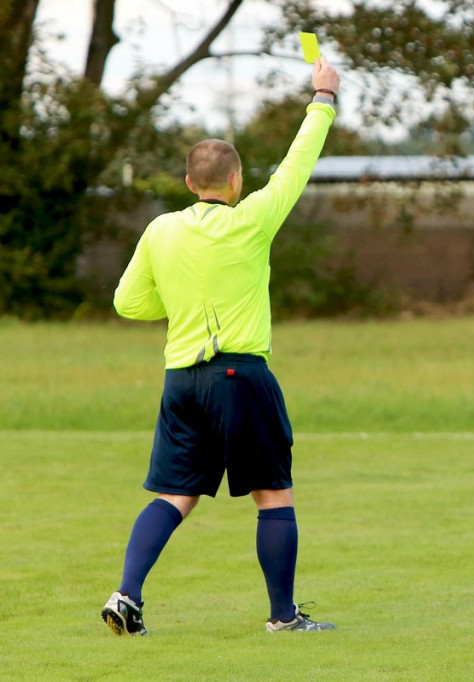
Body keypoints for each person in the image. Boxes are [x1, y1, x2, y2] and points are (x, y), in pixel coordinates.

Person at [101, 57, 341, 636]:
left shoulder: (160, 230)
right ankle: (283, 617)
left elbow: (127, 304)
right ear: (234, 182)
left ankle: (126, 596)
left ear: (189, 184)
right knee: (272, 493)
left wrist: (181, 306)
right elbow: (296, 164)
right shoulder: (253, 218)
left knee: (175, 495)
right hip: (241, 377)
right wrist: (323, 97)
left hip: (182, 381)